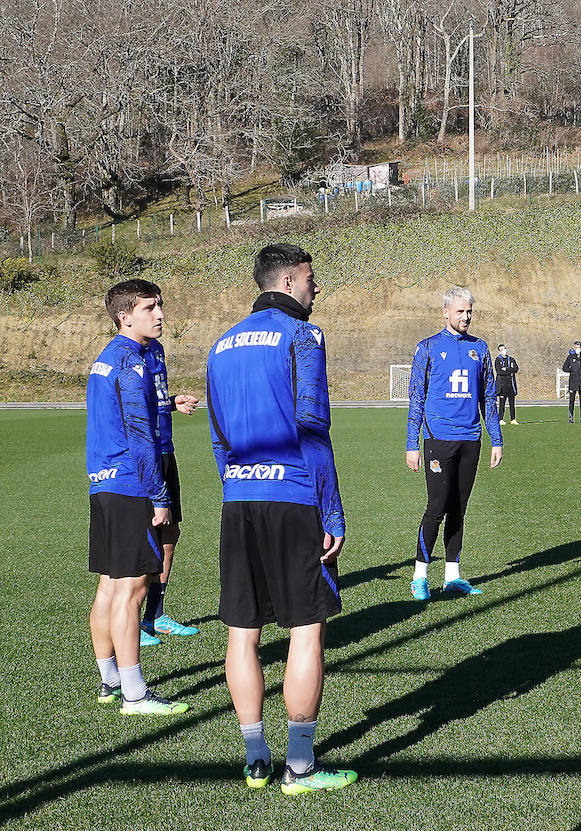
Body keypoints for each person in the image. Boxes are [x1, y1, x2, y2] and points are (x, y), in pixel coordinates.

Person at [207, 244, 356, 794]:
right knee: (306, 629)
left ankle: (255, 759)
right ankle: (300, 766)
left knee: (242, 632)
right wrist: (330, 509)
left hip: (239, 498)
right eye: (312, 279)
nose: (317, 288)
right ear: (289, 280)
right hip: (293, 496)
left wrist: (237, 484)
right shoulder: (302, 335)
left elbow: (218, 436)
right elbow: (313, 428)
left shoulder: (221, 345)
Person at [86, 279, 189, 717]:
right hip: (131, 484)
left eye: (159, 305)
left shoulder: (107, 358)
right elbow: (141, 436)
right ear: (124, 316)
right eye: (150, 307)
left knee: (110, 586)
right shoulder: (130, 361)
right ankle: (135, 694)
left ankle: (110, 680)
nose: (160, 313)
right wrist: (158, 495)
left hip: (103, 483)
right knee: (131, 591)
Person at [405, 287, 502, 600]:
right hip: (439, 439)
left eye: (469, 311)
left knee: (459, 509)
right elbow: (416, 398)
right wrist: (412, 444)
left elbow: (488, 396)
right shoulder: (428, 348)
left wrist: (496, 439)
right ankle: (419, 577)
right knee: (436, 507)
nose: (466, 317)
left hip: (470, 439)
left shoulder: (480, 348)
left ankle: (452, 576)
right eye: (460, 311)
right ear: (445, 312)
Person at [139, 334, 201, 643]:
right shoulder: (127, 352)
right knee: (143, 537)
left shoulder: (157, 349)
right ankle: (130, 622)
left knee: (169, 534)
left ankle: (154, 615)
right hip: (144, 454)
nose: (160, 314)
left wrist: (171, 402)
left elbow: (152, 396)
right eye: (151, 310)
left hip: (165, 450)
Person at [494, 343, 520, 425]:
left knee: (512, 403)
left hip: (511, 384)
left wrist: (506, 369)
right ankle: (500, 419)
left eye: (504, 348)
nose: (504, 350)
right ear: (499, 351)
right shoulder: (498, 360)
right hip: (502, 385)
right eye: (502, 349)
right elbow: (499, 371)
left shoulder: (511, 359)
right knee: (502, 403)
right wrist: (509, 371)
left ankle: (513, 419)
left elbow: (516, 369)